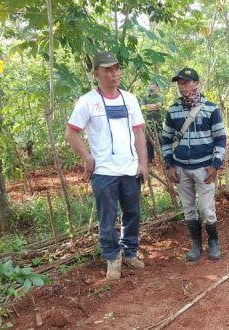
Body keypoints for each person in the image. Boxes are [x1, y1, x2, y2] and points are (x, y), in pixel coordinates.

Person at [65, 51, 148, 280]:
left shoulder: (130, 99)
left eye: (117, 69)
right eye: (108, 70)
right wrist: (87, 157)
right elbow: (71, 134)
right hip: (104, 172)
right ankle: (113, 257)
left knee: (132, 213)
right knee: (107, 217)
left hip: (130, 170)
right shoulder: (87, 101)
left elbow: (139, 131)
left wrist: (143, 163)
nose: (114, 74)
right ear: (96, 74)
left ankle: (130, 251)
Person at [161, 68, 226, 261]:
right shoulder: (172, 110)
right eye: (180, 83)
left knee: (207, 210)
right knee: (188, 209)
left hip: (204, 168)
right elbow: (166, 140)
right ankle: (196, 244)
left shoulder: (211, 109)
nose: (183, 86)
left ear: (196, 84)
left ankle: (213, 242)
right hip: (181, 168)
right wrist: (169, 164)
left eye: (187, 82)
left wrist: (215, 165)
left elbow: (220, 139)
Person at [140, 82, 164, 163]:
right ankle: (150, 157)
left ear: (156, 87)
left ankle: (163, 156)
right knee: (149, 140)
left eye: (152, 84)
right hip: (148, 121)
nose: (150, 86)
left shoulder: (160, 96)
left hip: (158, 121)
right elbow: (142, 107)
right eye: (149, 85)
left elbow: (159, 105)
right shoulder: (145, 97)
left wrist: (149, 106)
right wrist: (153, 106)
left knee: (160, 139)